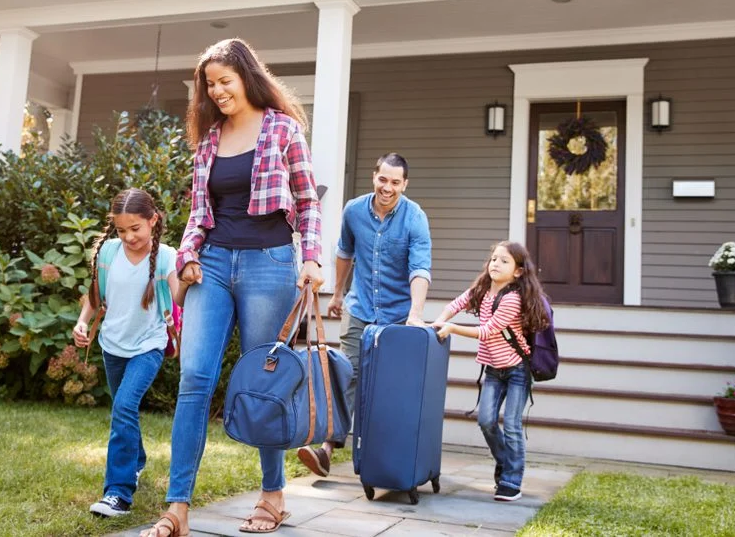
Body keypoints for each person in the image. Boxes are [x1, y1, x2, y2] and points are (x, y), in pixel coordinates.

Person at [140, 38, 323, 537]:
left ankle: (272, 494)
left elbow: (307, 202)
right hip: (214, 265)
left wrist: (311, 258)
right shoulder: (208, 142)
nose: (217, 91)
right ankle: (177, 507)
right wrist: (189, 256)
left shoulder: (283, 129)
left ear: (246, 76)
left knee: (265, 383)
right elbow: (199, 214)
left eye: (224, 81)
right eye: (209, 84)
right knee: (194, 380)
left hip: (269, 264)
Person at [297, 153, 432, 478]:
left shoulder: (415, 218)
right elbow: (344, 253)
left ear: (405, 184)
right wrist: (339, 294)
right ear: (375, 177)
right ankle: (328, 448)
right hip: (359, 309)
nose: (388, 187)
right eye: (383, 179)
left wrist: (415, 312)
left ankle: (385, 456)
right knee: (348, 373)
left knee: (390, 385)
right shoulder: (354, 210)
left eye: (395, 182)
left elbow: (420, 268)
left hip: (398, 315)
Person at [72, 188, 180, 519]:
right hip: (112, 345)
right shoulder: (108, 252)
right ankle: (136, 462)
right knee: (124, 411)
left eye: (136, 228)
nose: (129, 236)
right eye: (122, 230)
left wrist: (189, 276)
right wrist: (82, 323)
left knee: (123, 406)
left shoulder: (166, 257)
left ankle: (118, 493)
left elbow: (180, 296)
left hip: (149, 345)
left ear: (153, 221)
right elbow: (95, 293)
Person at [427, 241, 550, 502]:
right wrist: (441, 318)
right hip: (493, 370)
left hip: (517, 369)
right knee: (486, 421)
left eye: (504, 261)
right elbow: (458, 303)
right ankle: (506, 462)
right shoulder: (482, 290)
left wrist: (451, 329)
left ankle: (511, 480)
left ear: (518, 271)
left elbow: (488, 330)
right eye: (494, 259)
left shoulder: (513, 299)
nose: (496, 264)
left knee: (513, 425)